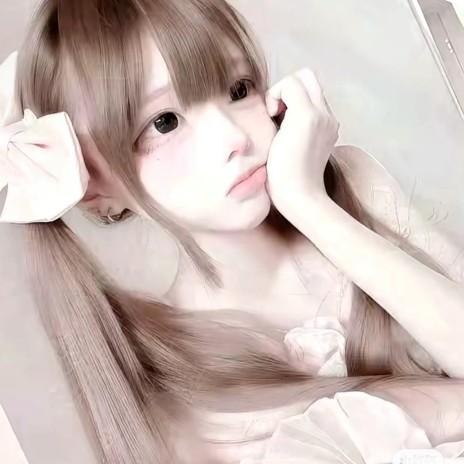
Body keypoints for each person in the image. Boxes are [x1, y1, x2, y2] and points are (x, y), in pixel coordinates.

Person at [1, 0, 464, 462]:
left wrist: (310, 205)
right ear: (96, 190)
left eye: (238, 88)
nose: (234, 137)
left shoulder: (350, 185)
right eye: (164, 122)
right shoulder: (183, 388)